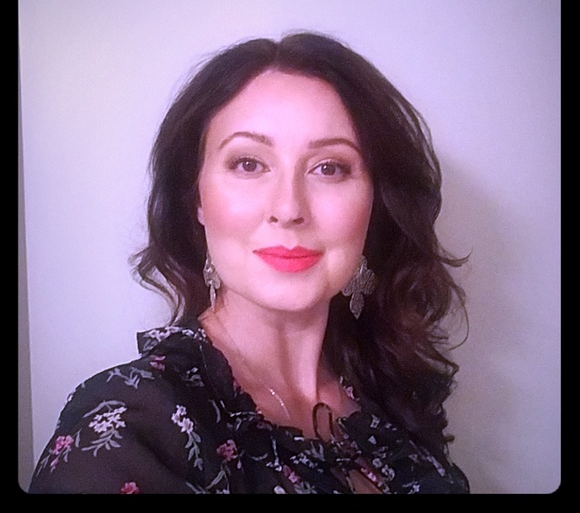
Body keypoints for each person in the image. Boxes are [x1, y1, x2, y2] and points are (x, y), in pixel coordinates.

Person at [29, 32, 470, 494]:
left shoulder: (389, 388)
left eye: (329, 167)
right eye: (248, 164)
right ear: (196, 198)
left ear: (375, 202)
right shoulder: (128, 430)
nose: (288, 208)